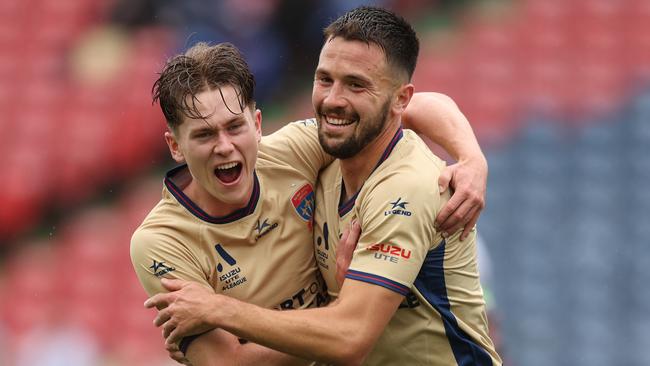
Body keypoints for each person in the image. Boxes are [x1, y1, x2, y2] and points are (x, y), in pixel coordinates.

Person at [145, 6, 501, 366]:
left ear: (256, 124)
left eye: (356, 84)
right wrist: (333, 312)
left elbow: (348, 337)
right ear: (174, 146)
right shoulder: (325, 151)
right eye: (324, 79)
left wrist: (472, 158)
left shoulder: (406, 185)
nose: (333, 100)